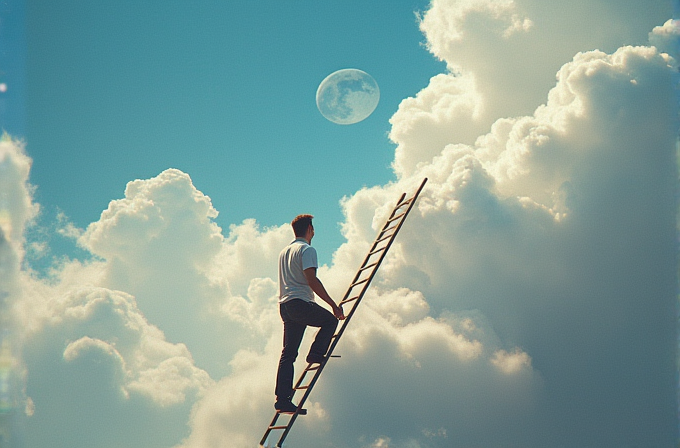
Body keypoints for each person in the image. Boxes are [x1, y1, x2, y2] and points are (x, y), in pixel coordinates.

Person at [274, 214, 346, 414]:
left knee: (288, 354)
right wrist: (333, 305)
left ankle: (282, 400)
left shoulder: (284, 252)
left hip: (285, 306)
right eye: (313, 229)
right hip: (300, 303)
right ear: (309, 229)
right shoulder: (307, 250)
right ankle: (315, 353)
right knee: (330, 321)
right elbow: (312, 280)